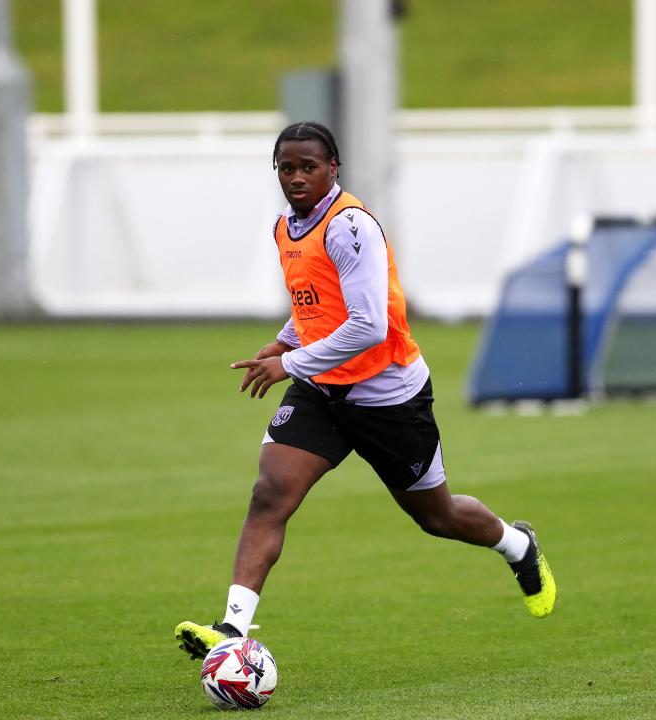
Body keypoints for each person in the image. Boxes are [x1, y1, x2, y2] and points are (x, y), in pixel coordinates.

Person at [175, 121, 555, 659]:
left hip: (387, 395)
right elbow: (316, 304)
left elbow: (369, 326)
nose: (297, 177)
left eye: (309, 166)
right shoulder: (286, 225)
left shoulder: (349, 225)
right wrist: (281, 342)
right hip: (323, 393)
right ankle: (233, 633)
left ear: (334, 168)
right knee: (269, 494)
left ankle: (517, 545)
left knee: (437, 517)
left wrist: (290, 364)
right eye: (287, 167)